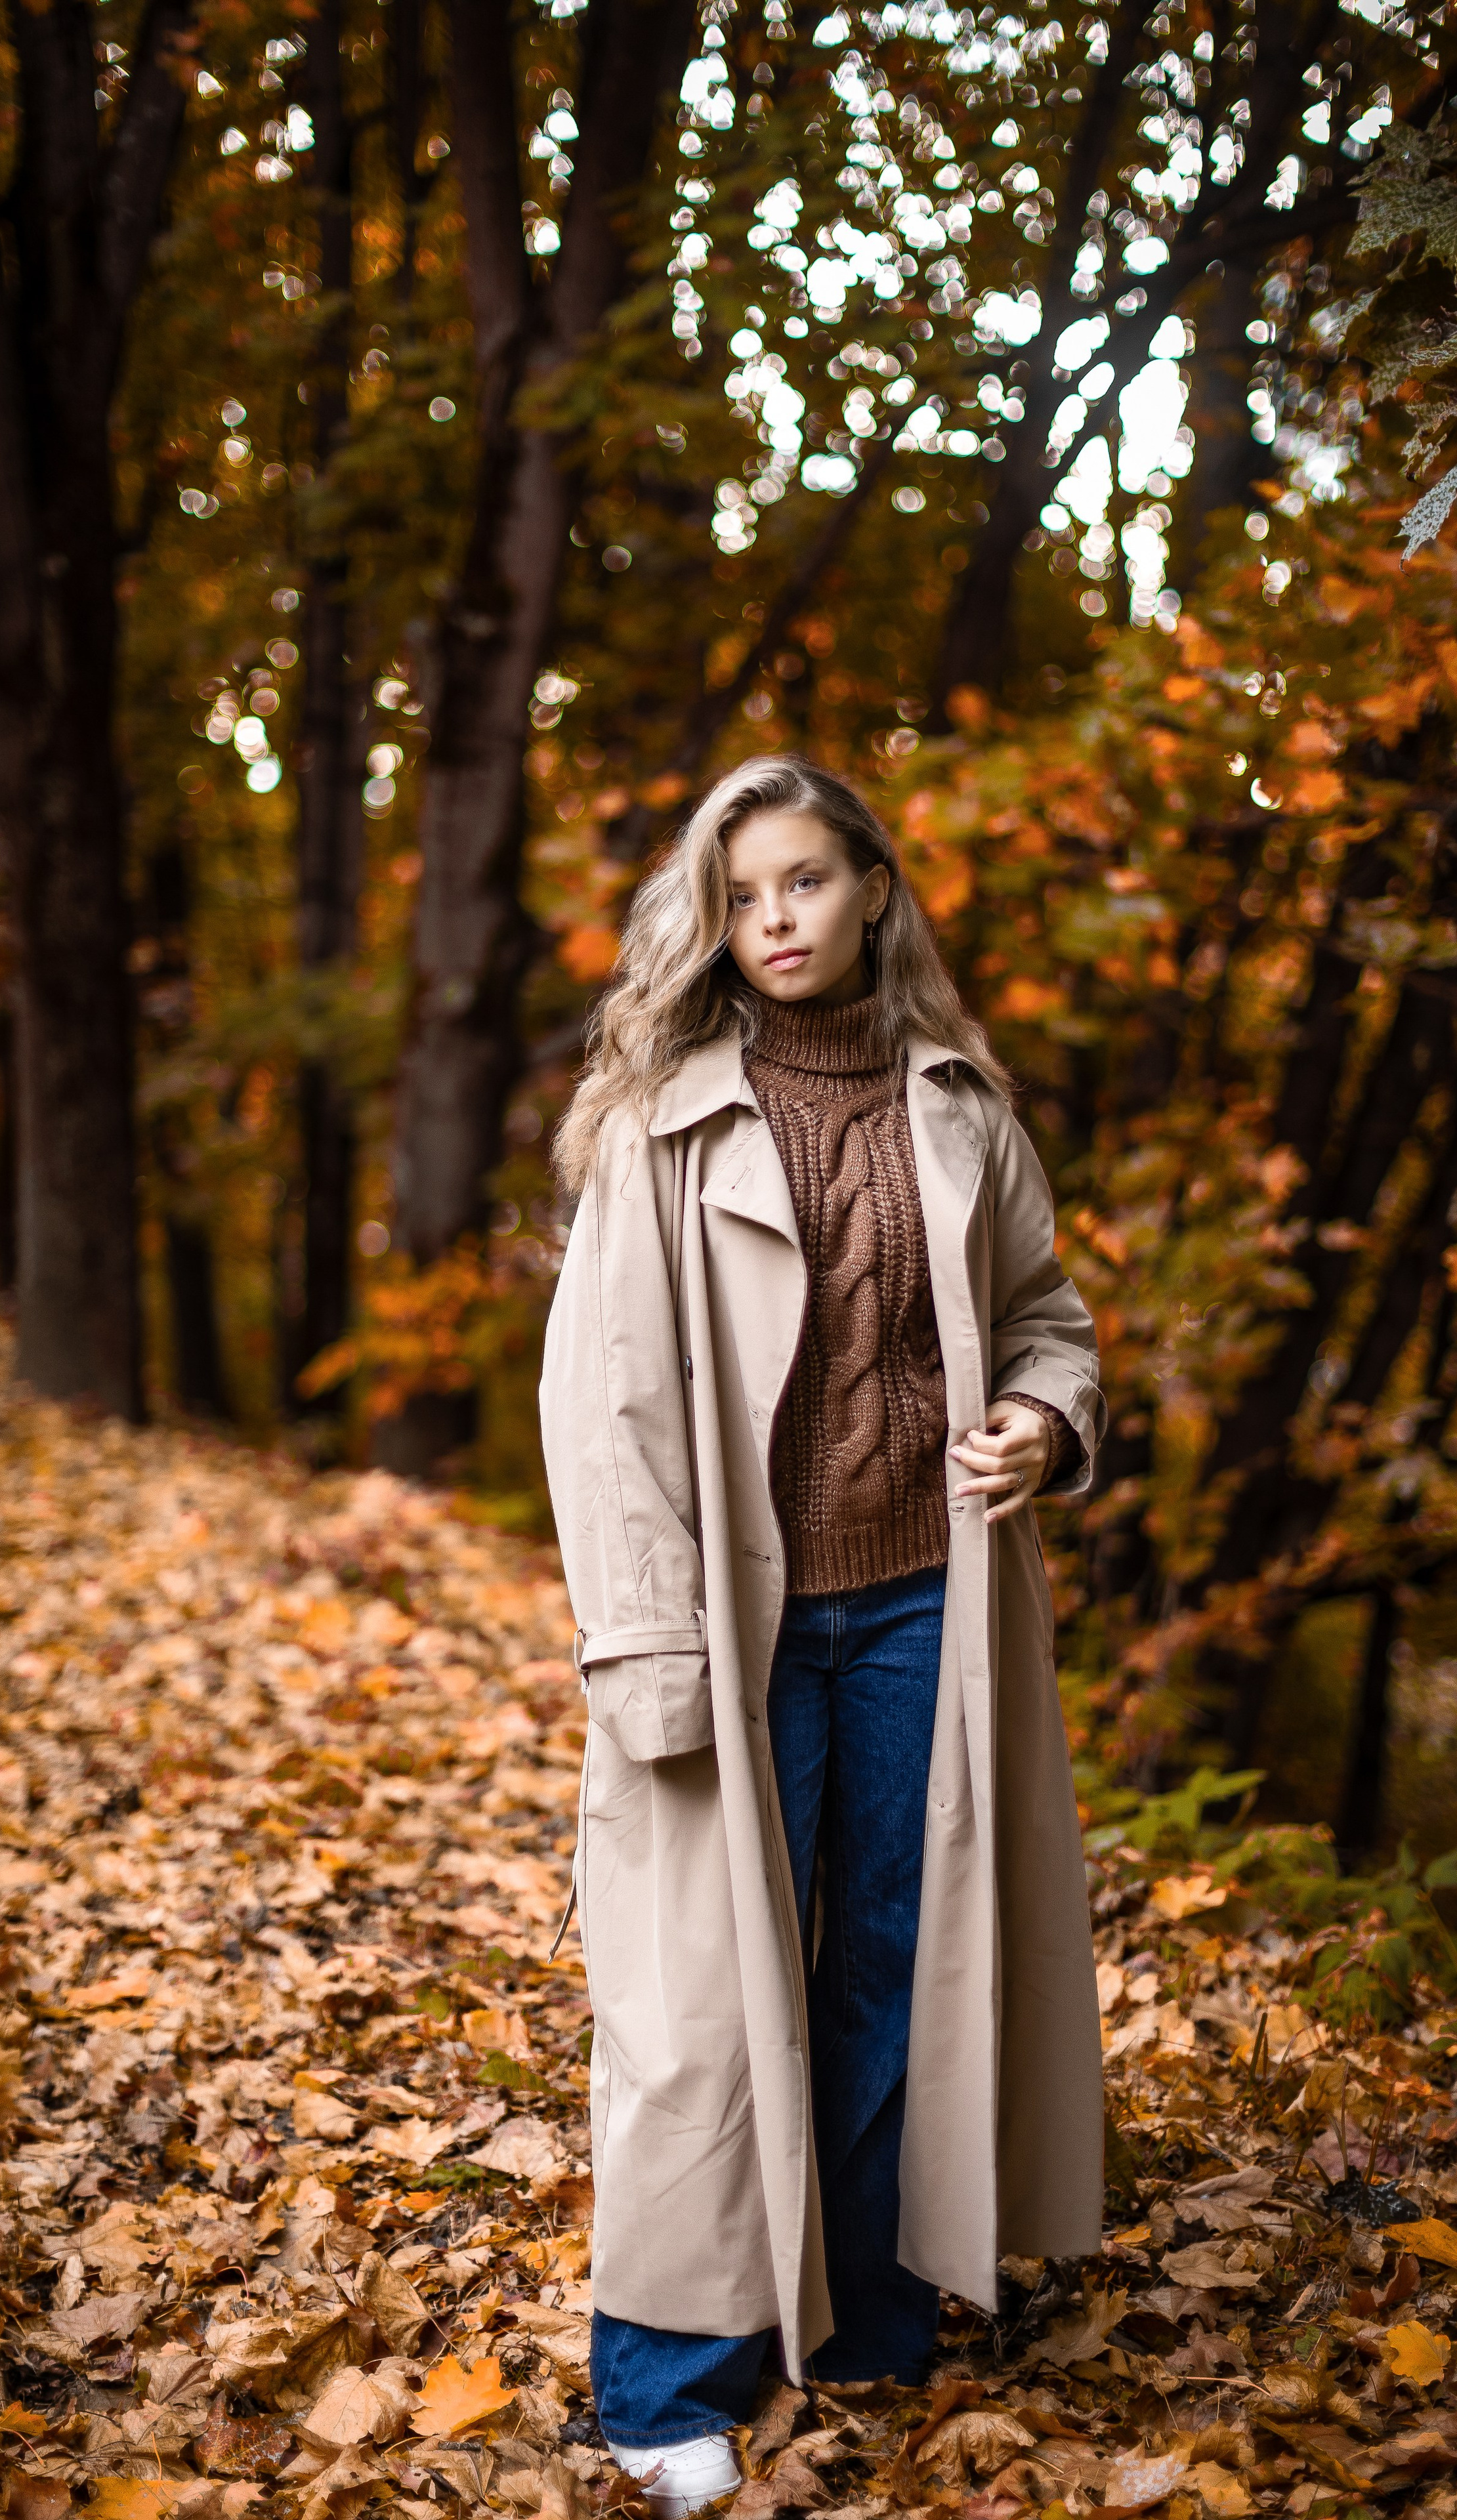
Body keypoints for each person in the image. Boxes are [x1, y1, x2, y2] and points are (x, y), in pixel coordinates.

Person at [539, 757, 1106, 2515]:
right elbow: (604, 1407)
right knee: (702, 1995)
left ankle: (855, 2315)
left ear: (871, 885)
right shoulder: (661, 1126)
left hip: (927, 1601)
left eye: (803, 881)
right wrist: (643, 1649)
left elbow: (1048, 1321)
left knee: (889, 1958)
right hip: (735, 1619)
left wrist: (1042, 1417)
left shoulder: (961, 1113)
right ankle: (663, 2379)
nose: (773, 920)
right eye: (741, 894)